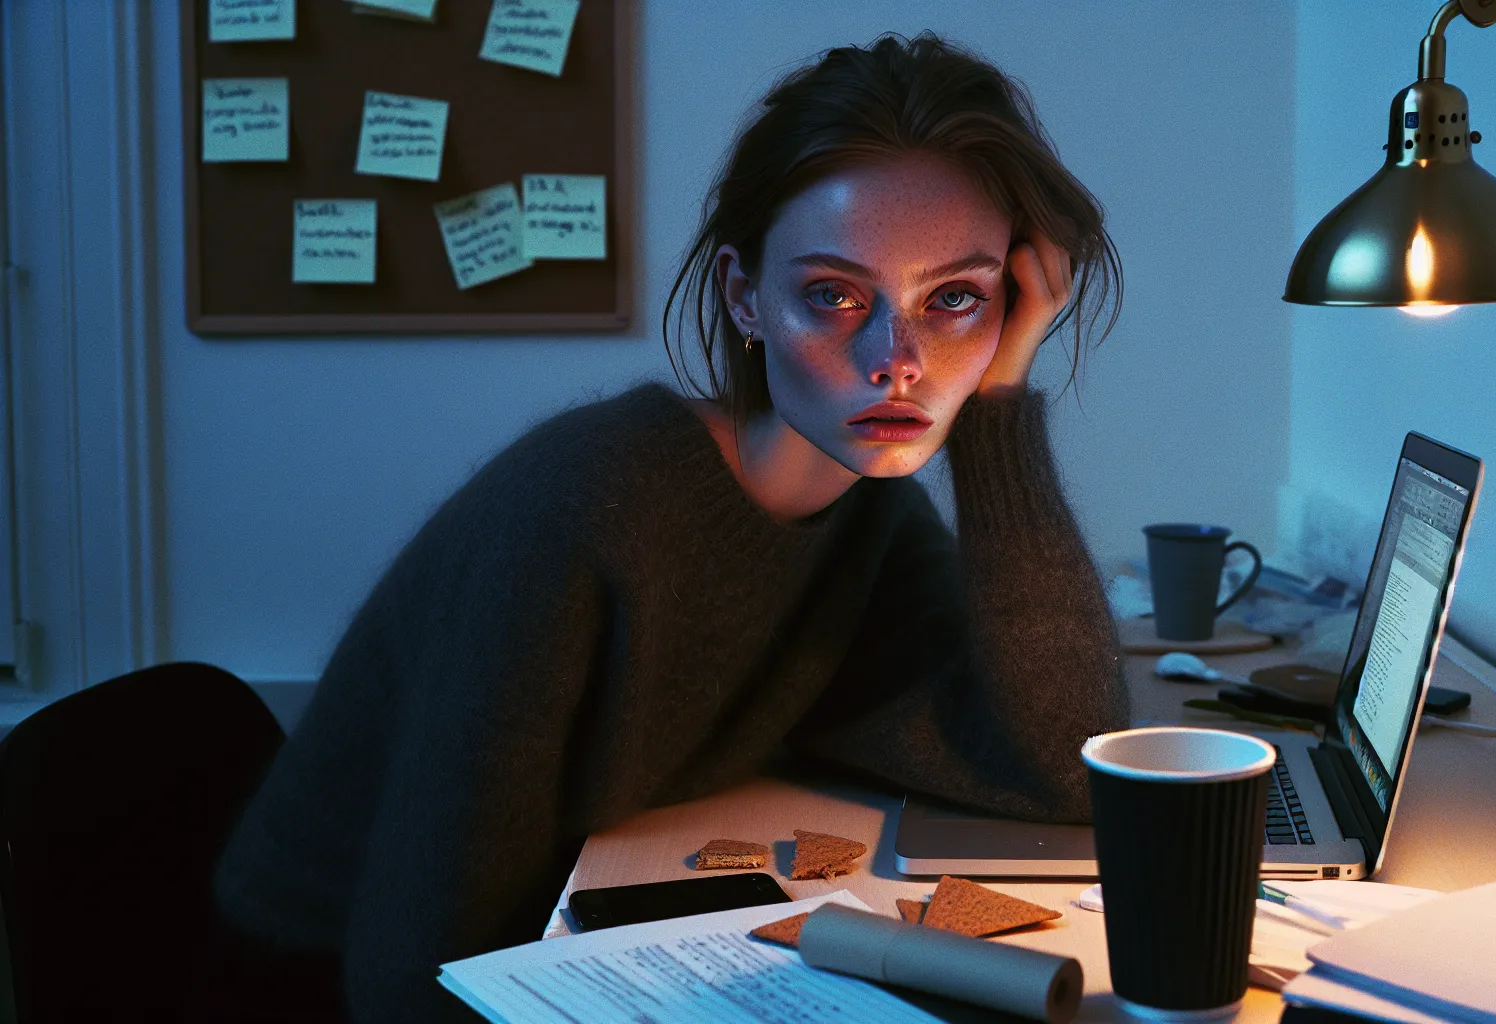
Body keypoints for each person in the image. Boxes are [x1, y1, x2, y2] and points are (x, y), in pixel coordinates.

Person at [196, 31, 1127, 1023]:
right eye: (833, 294)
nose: (895, 360)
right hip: (306, 979)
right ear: (744, 296)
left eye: (954, 300)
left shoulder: (867, 523)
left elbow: (1067, 772)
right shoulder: (587, 504)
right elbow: (412, 964)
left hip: (568, 945)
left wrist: (998, 404)